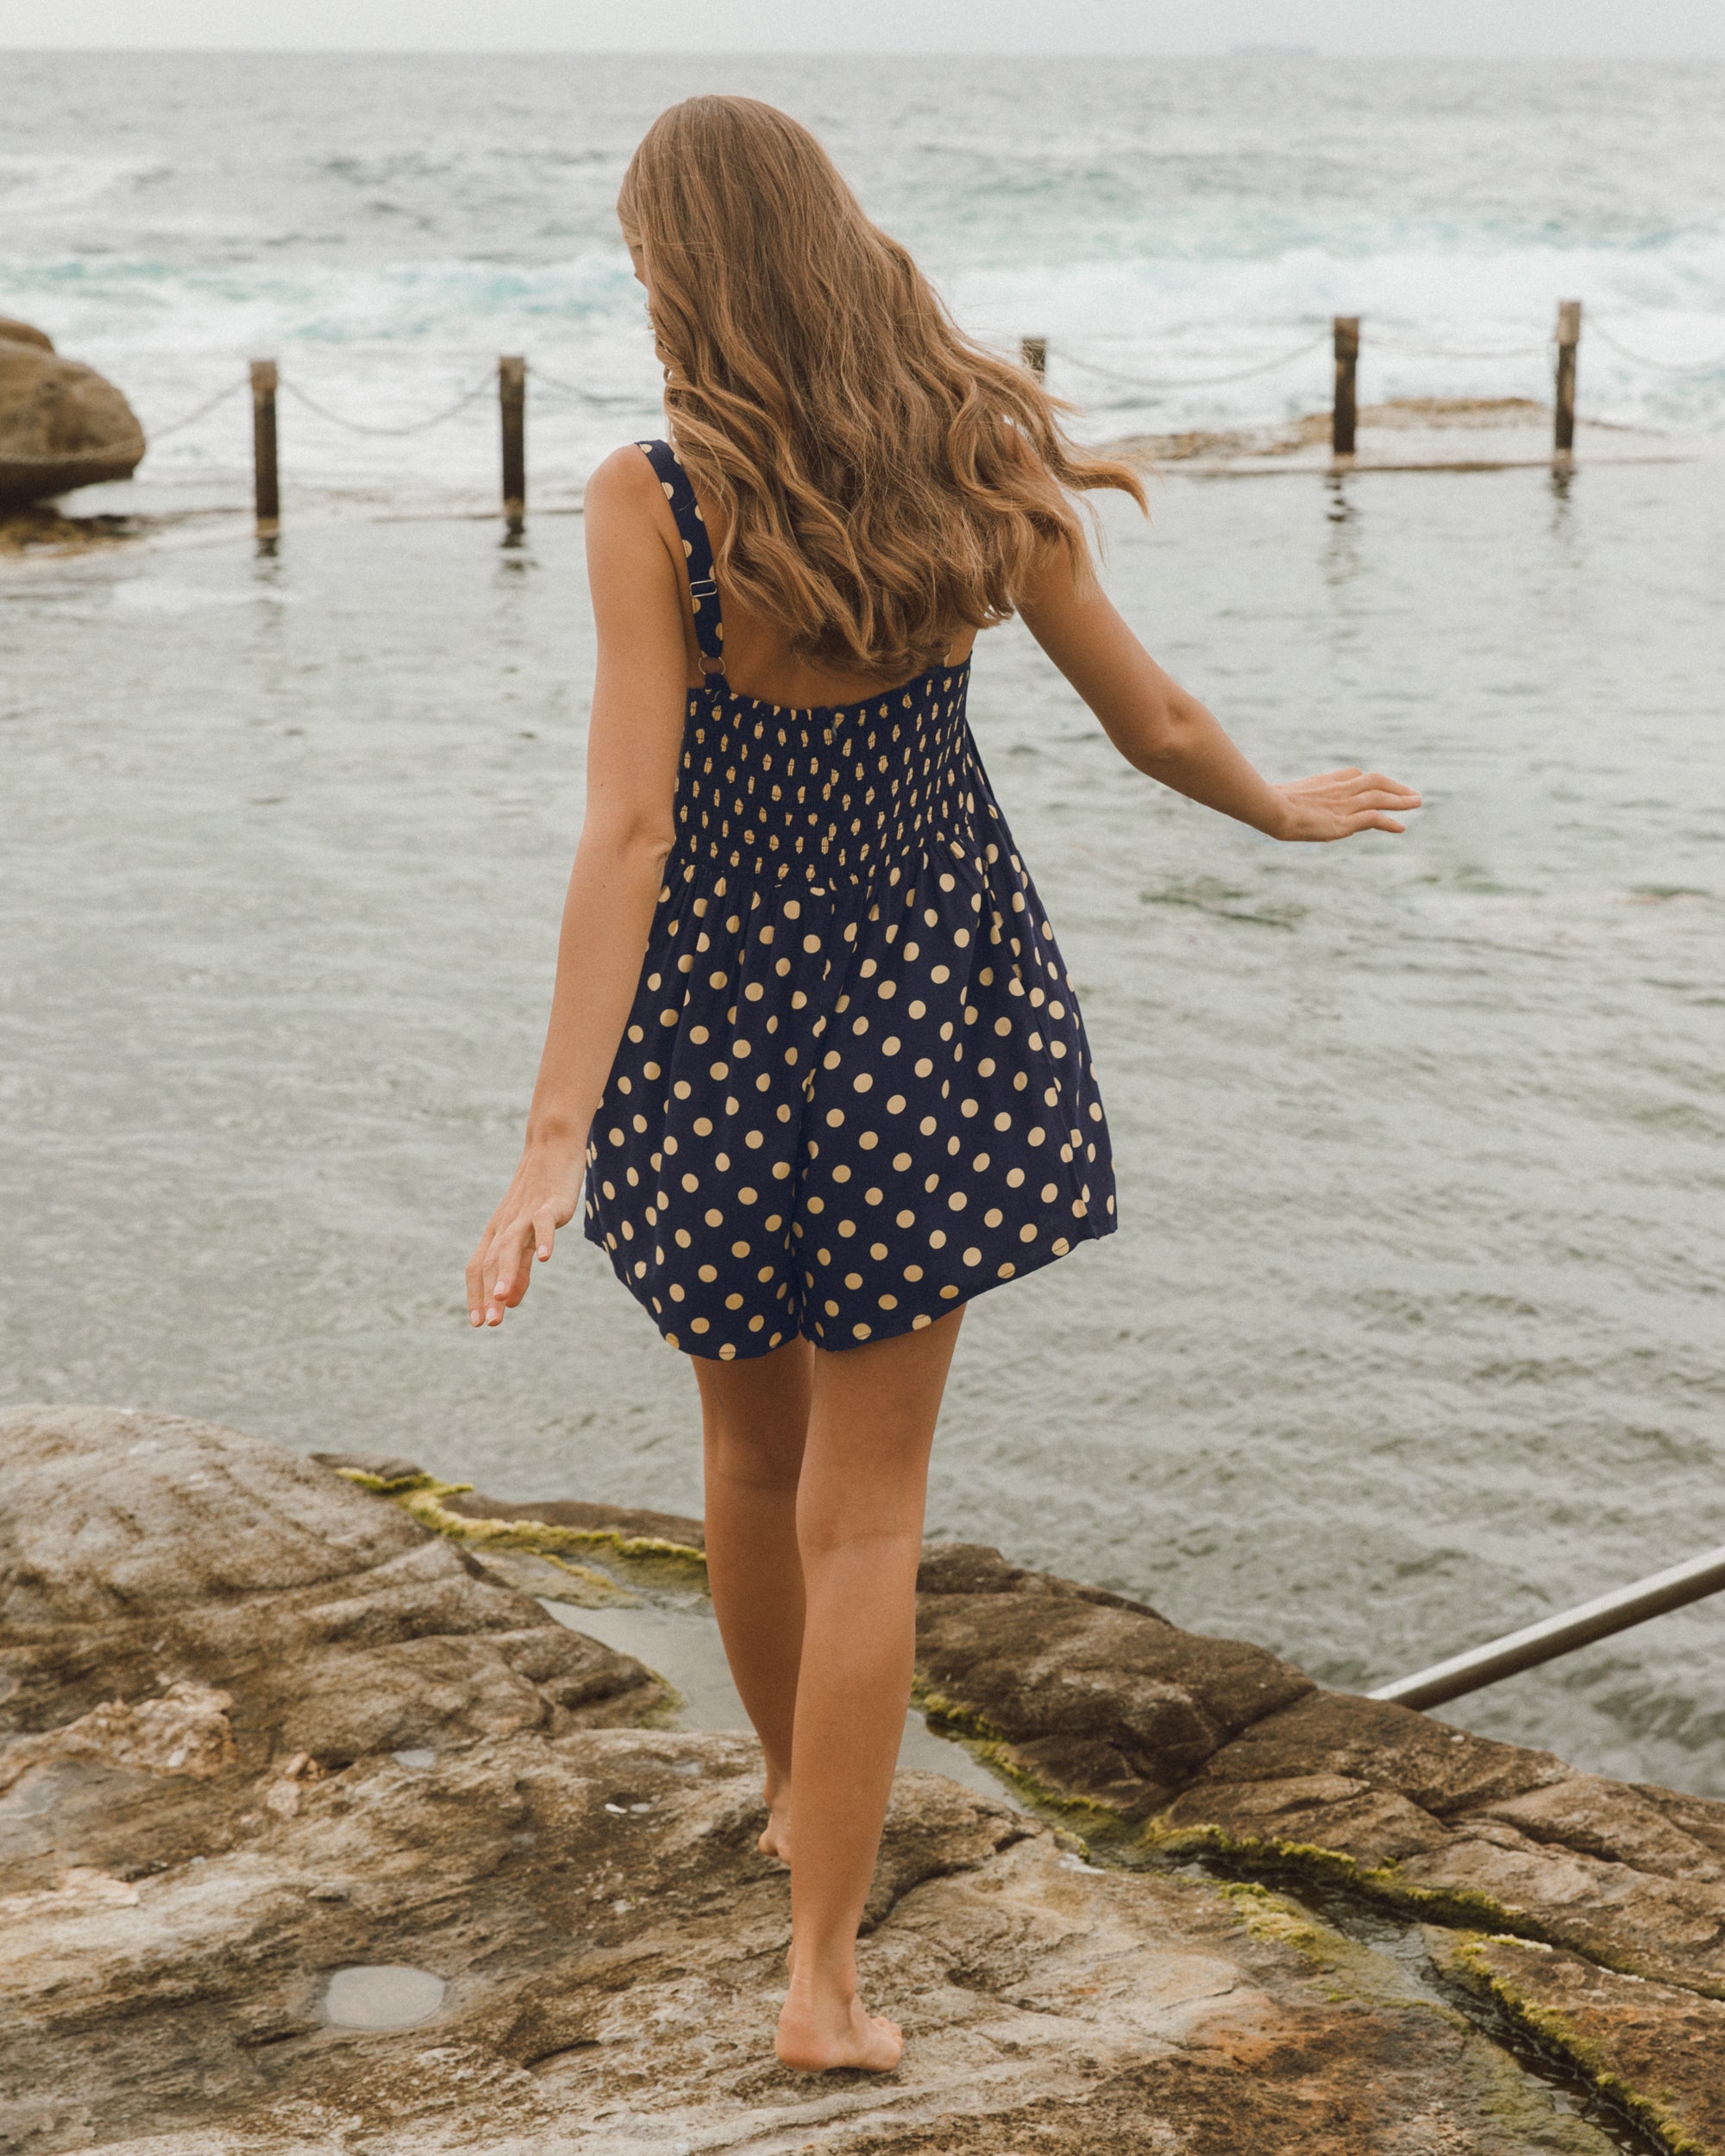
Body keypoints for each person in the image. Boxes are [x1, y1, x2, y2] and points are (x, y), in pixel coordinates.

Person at [465, 95, 1420, 2074]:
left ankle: (790, 1799)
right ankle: (825, 1964)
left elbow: (628, 830)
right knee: (869, 1508)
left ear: (678, 274)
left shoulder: (651, 497)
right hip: (922, 994)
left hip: (710, 1013)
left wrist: (551, 1135)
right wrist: (1273, 805)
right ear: (835, 240)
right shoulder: (973, 454)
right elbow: (1143, 713)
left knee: (746, 1459)